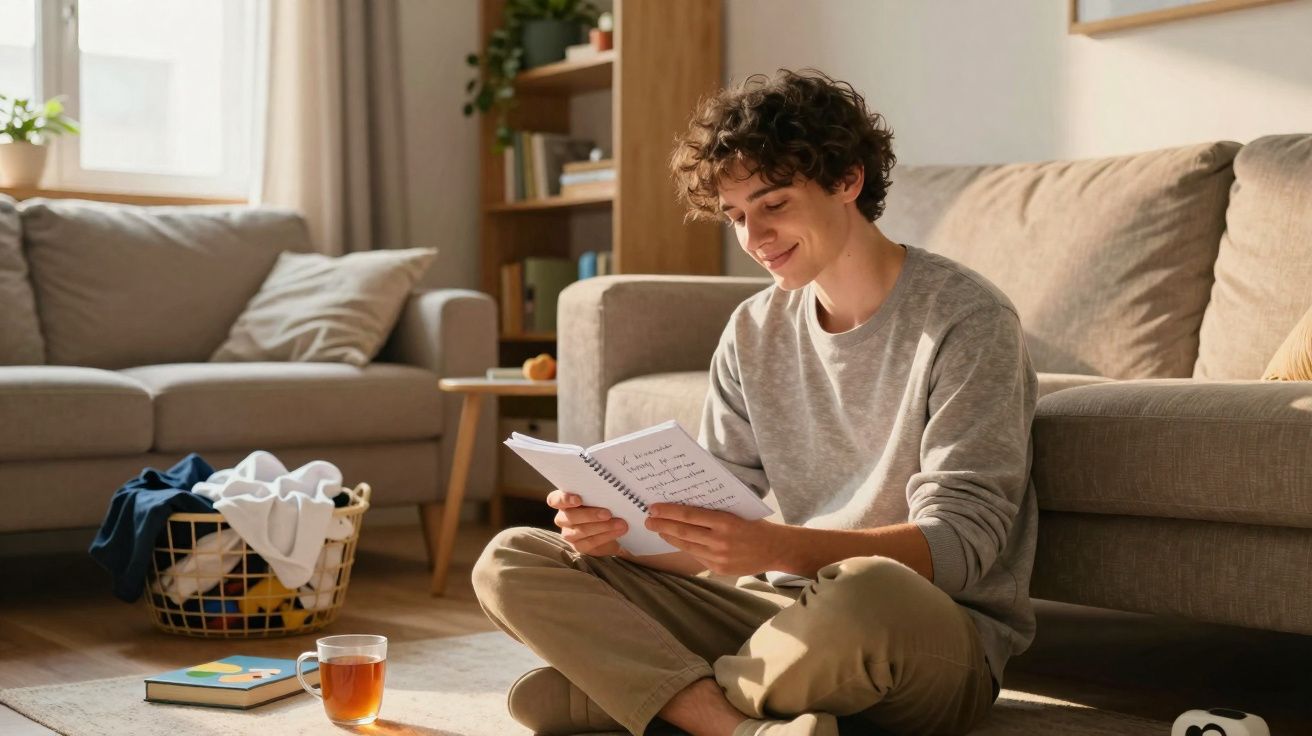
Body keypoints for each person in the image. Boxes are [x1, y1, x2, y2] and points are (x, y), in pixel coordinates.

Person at [473, 68, 1038, 736]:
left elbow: (962, 544)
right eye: (737, 217)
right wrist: (621, 539)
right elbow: (713, 538)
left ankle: (662, 697)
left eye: (774, 204)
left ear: (847, 180)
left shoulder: (966, 319)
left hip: (920, 633)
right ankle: (739, 726)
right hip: (777, 617)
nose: (755, 237)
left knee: (866, 586)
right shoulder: (752, 329)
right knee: (509, 559)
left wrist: (774, 545)